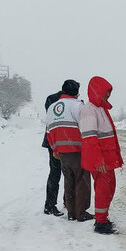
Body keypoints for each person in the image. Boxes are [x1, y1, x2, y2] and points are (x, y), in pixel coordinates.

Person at [79, 76, 123, 235]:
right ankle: (101, 222)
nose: (108, 95)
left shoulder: (101, 108)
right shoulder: (89, 110)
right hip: (101, 160)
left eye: (109, 92)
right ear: (96, 91)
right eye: (106, 92)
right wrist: (98, 160)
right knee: (103, 189)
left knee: (109, 188)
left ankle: (102, 217)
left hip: (107, 159)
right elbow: (90, 138)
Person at [45, 80, 94, 222]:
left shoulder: (52, 107)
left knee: (69, 180)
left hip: (61, 152)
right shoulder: (77, 106)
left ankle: (71, 212)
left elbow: (49, 131)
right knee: (81, 180)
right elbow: (86, 126)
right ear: (76, 92)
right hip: (78, 149)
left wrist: (55, 148)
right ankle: (81, 212)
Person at [42, 89, 63, 216]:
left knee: (55, 173)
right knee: (67, 173)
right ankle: (55, 204)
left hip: (52, 141)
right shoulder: (67, 103)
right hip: (61, 141)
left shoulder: (51, 99)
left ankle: (49, 205)